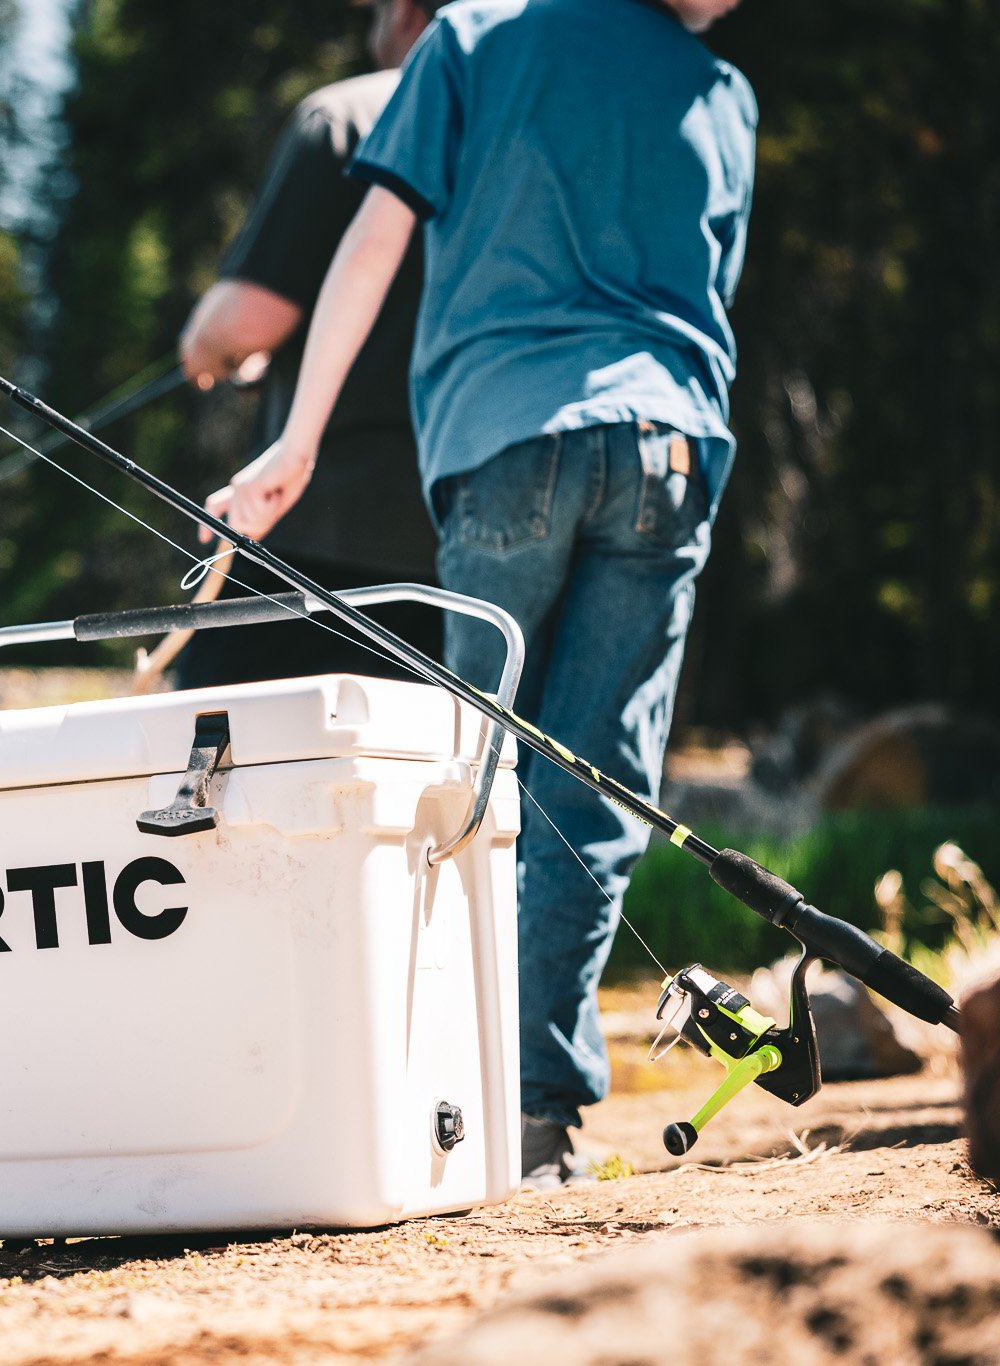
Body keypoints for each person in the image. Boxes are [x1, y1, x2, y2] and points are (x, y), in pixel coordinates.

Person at [205, 0, 755, 1185]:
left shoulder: (471, 32)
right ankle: (540, 1116)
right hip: (666, 446)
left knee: (473, 773)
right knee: (594, 779)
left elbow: (373, 237)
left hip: (505, 436)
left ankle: (448, 1099)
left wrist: (294, 440)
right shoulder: (721, 92)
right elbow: (710, 301)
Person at [173, 0, 447, 689]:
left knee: (216, 767)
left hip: (316, 527)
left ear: (409, 14)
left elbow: (244, 322)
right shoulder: (526, 123)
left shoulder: (349, 115)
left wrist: (201, 350)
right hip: (461, 541)